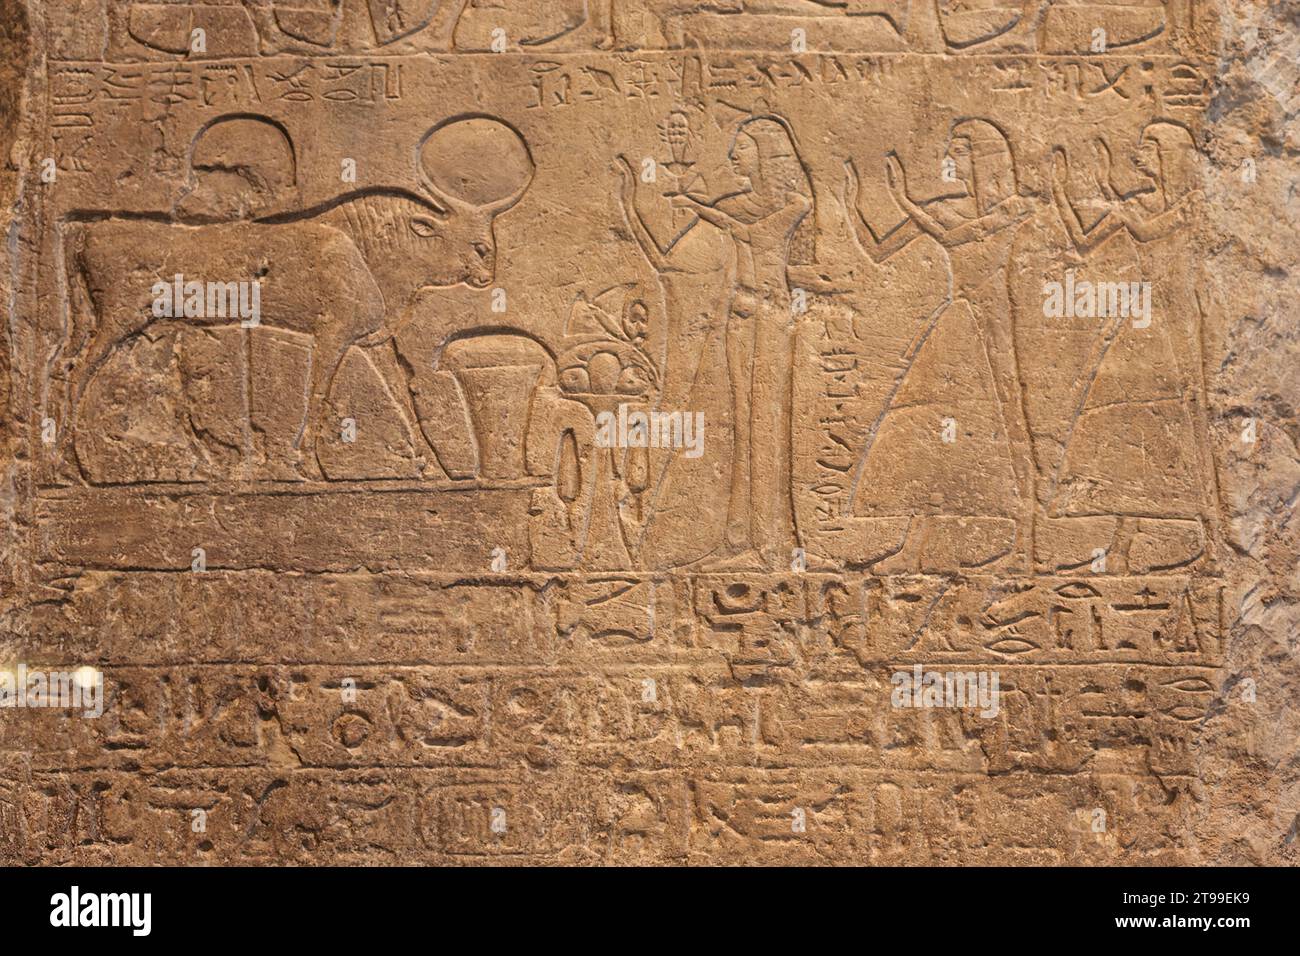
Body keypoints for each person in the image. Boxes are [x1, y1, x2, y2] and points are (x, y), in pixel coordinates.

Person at [669, 116, 814, 568]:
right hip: (740, 313)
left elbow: (755, 233)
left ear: (768, 154)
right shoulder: (739, 201)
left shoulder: (795, 203)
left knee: (766, 427)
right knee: (740, 427)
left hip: (771, 317)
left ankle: (771, 542)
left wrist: (699, 206)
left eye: (743, 148)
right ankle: (737, 539)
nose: (734, 156)